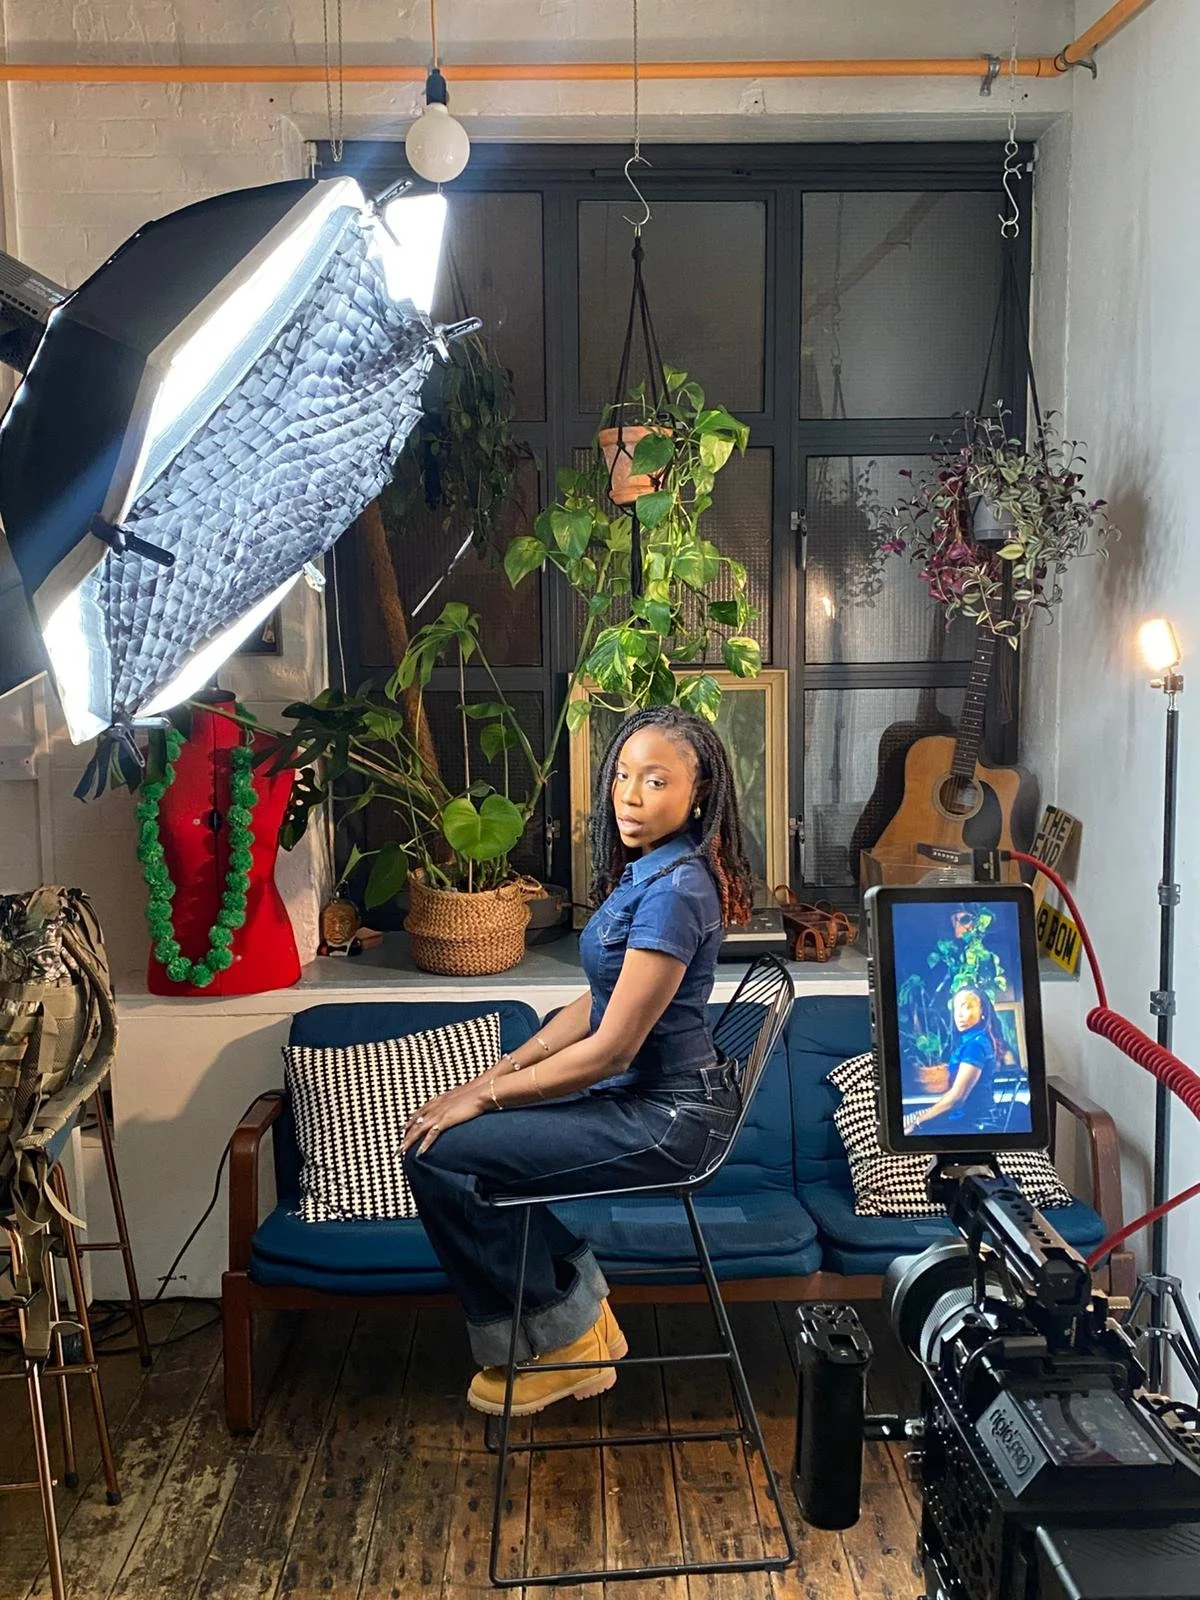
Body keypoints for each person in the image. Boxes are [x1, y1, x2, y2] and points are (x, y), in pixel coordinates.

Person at [401, 706, 753, 1417]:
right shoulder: (649, 874)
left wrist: (487, 1100)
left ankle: (564, 1342)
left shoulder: (677, 890)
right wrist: (497, 1072)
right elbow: (595, 1007)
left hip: (670, 1119)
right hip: (647, 1099)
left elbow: (612, 1049)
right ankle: (577, 1313)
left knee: (442, 1154)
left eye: (656, 781)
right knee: (444, 1144)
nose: (629, 795)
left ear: (700, 791)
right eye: (623, 775)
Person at [903, 985, 1012, 1136]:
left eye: (966, 1007)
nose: (959, 1015)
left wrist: (917, 1124)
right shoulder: (972, 1040)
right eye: (956, 1009)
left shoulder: (975, 1045)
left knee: (906, 1128)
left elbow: (957, 1099)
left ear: (982, 1012)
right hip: (964, 1119)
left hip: (973, 1125)